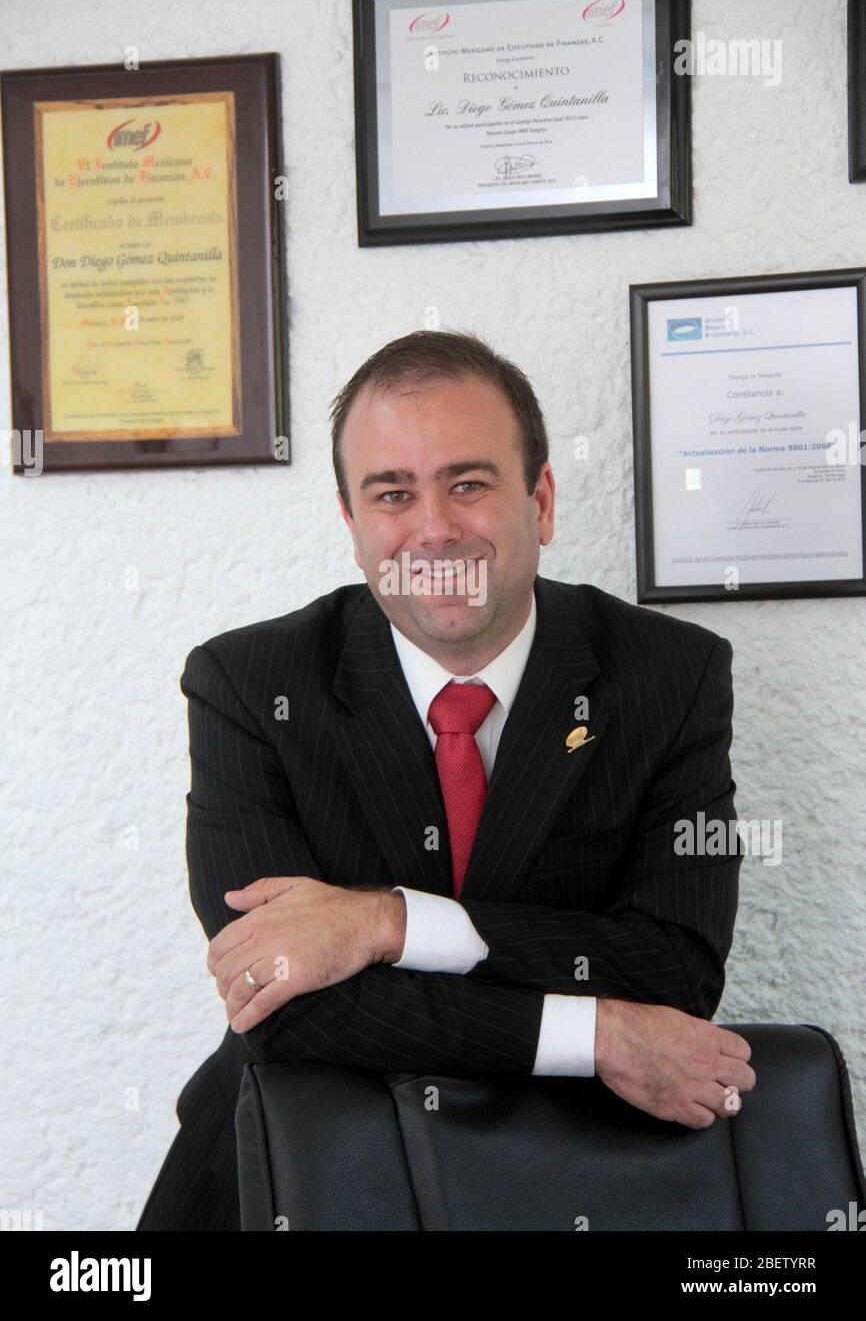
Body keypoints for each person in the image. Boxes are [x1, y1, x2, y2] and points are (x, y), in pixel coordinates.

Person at [136, 329, 754, 1231]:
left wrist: (383, 922)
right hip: (295, 1168)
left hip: (570, 1175)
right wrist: (599, 1032)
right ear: (352, 526)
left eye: (469, 483)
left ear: (540, 500)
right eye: (393, 493)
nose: (434, 528)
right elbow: (277, 1000)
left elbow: (674, 970)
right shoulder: (247, 683)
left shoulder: (670, 676)